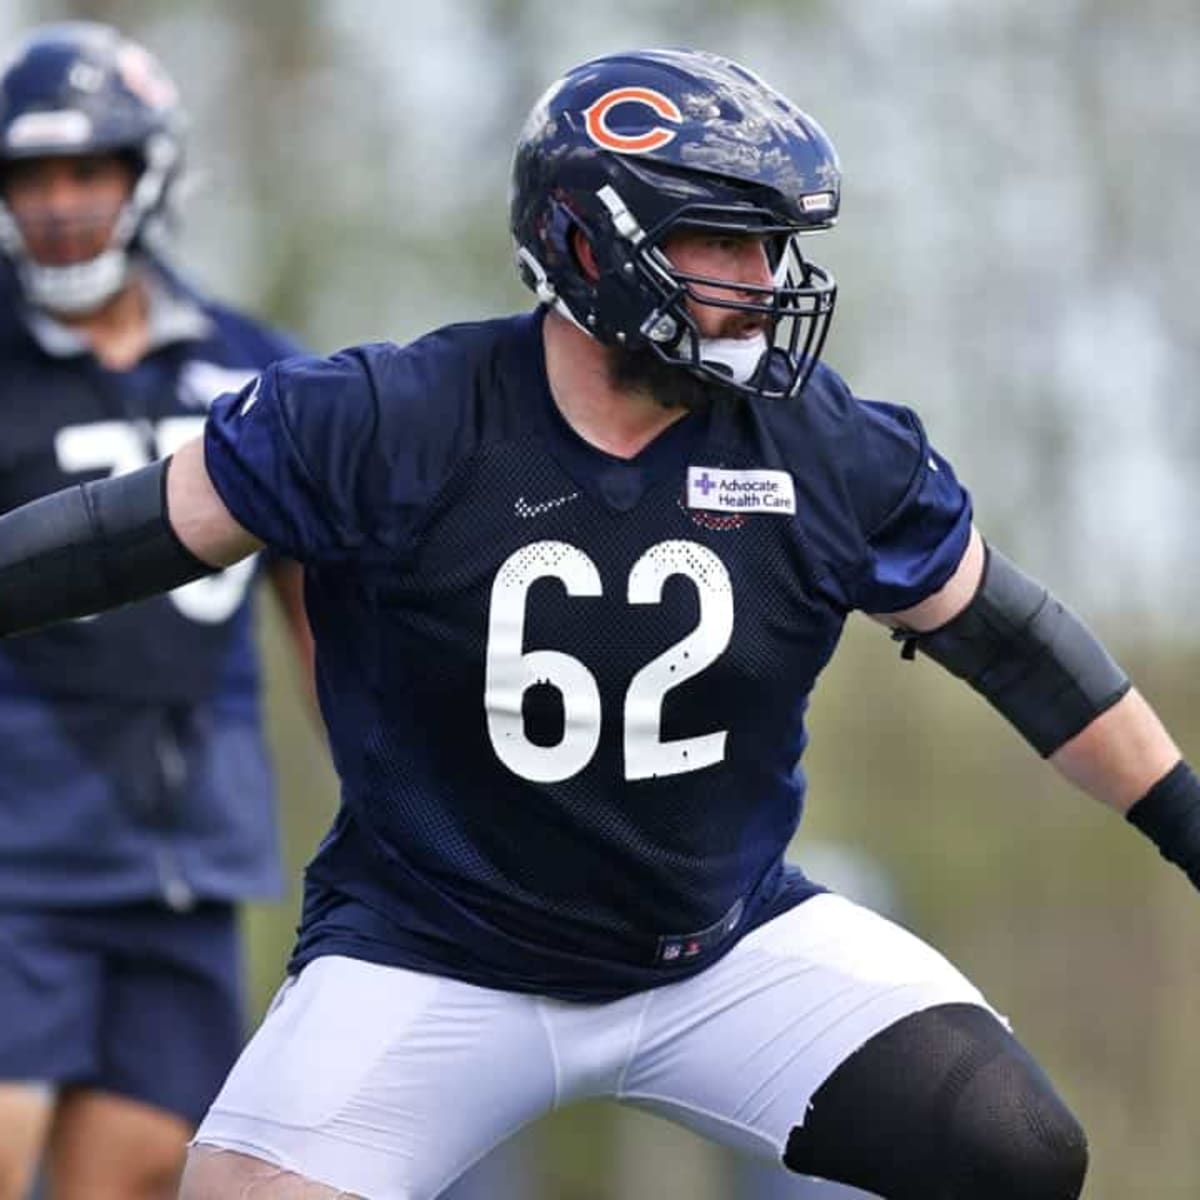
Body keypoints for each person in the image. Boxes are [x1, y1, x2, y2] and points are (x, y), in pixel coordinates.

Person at [0, 45, 1196, 1200]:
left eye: (768, 244)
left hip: (717, 948)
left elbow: (1019, 650)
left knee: (1015, 1145)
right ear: (589, 245)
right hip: (434, 953)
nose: (764, 282)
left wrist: (1187, 823)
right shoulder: (388, 420)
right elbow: (115, 541)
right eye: (721, 240)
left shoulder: (824, 447)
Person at [0, 22, 314, 1200]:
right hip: (16, 856)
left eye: (89, 171)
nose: (62, 205)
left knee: (132, 1183)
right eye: (31, 178)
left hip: (192, 865)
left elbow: (317, 614)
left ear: (151, 174)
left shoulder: (255, 369)